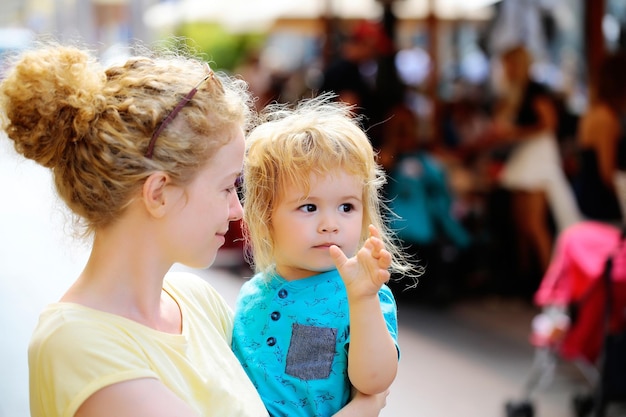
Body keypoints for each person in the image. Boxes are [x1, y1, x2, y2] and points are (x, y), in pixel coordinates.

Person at [0, 42, 387, 417]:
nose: (238, 211)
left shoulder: (196, 300)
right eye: (225, 187)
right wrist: (367, 406)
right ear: (159, 193)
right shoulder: (78, 345)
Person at [232, 95, 415, 416]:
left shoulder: (362, 295)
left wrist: (362, 299)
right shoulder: (252, 293)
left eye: (346, 207)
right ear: (265, 213)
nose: (330, 224)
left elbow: (374, 383)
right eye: (309, 207)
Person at [486, 44, 581, 279]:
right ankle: (529, 277)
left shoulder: (535, 91)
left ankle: (549, 282)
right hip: (525, 156)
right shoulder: (516, 92)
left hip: (537, 156)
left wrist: (515, 133)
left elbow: (549, 124)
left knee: (534, 225)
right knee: (522, 225)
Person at [573, 51, 626, 224]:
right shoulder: (606, 118)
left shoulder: (592, 113)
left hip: (587, 197)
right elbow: (607, 173)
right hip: (602, 206)